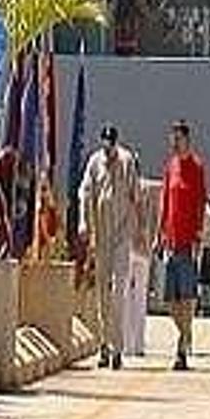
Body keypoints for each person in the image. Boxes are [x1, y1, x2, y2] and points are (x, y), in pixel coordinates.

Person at [78, 123, 144, 370]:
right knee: (102, 293)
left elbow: (136, 197)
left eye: (111, 147)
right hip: (101, 234)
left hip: (121, 234)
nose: (108, 152)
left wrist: (139, 231)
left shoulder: (127, 162)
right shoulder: (95, 162)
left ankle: (118, 347)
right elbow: (85, 193)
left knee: (119, 290)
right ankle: (104, 345)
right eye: (104, 146)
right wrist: (84, 223)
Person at [157, 120, 209, 370]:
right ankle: (185, 333)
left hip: (188, 242)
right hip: (170, 240)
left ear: (186, 140)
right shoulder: (171, 167)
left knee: (186, 297)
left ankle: (181, 349)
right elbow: (165, 201)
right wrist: (159, 234)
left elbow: (200, 202)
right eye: (172, 138)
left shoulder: (196, 167)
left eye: (177, 138)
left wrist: (199, 235)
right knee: (169, 299)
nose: (173, 143)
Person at [125, 171, 160, 357]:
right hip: (144, 248)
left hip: (128, 246)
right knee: (140, 298)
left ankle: (126, 343)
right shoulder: (149, 189)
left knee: (125, 296)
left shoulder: (126, 188)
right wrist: (153, 239)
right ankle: (138, 344)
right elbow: (155, 215)